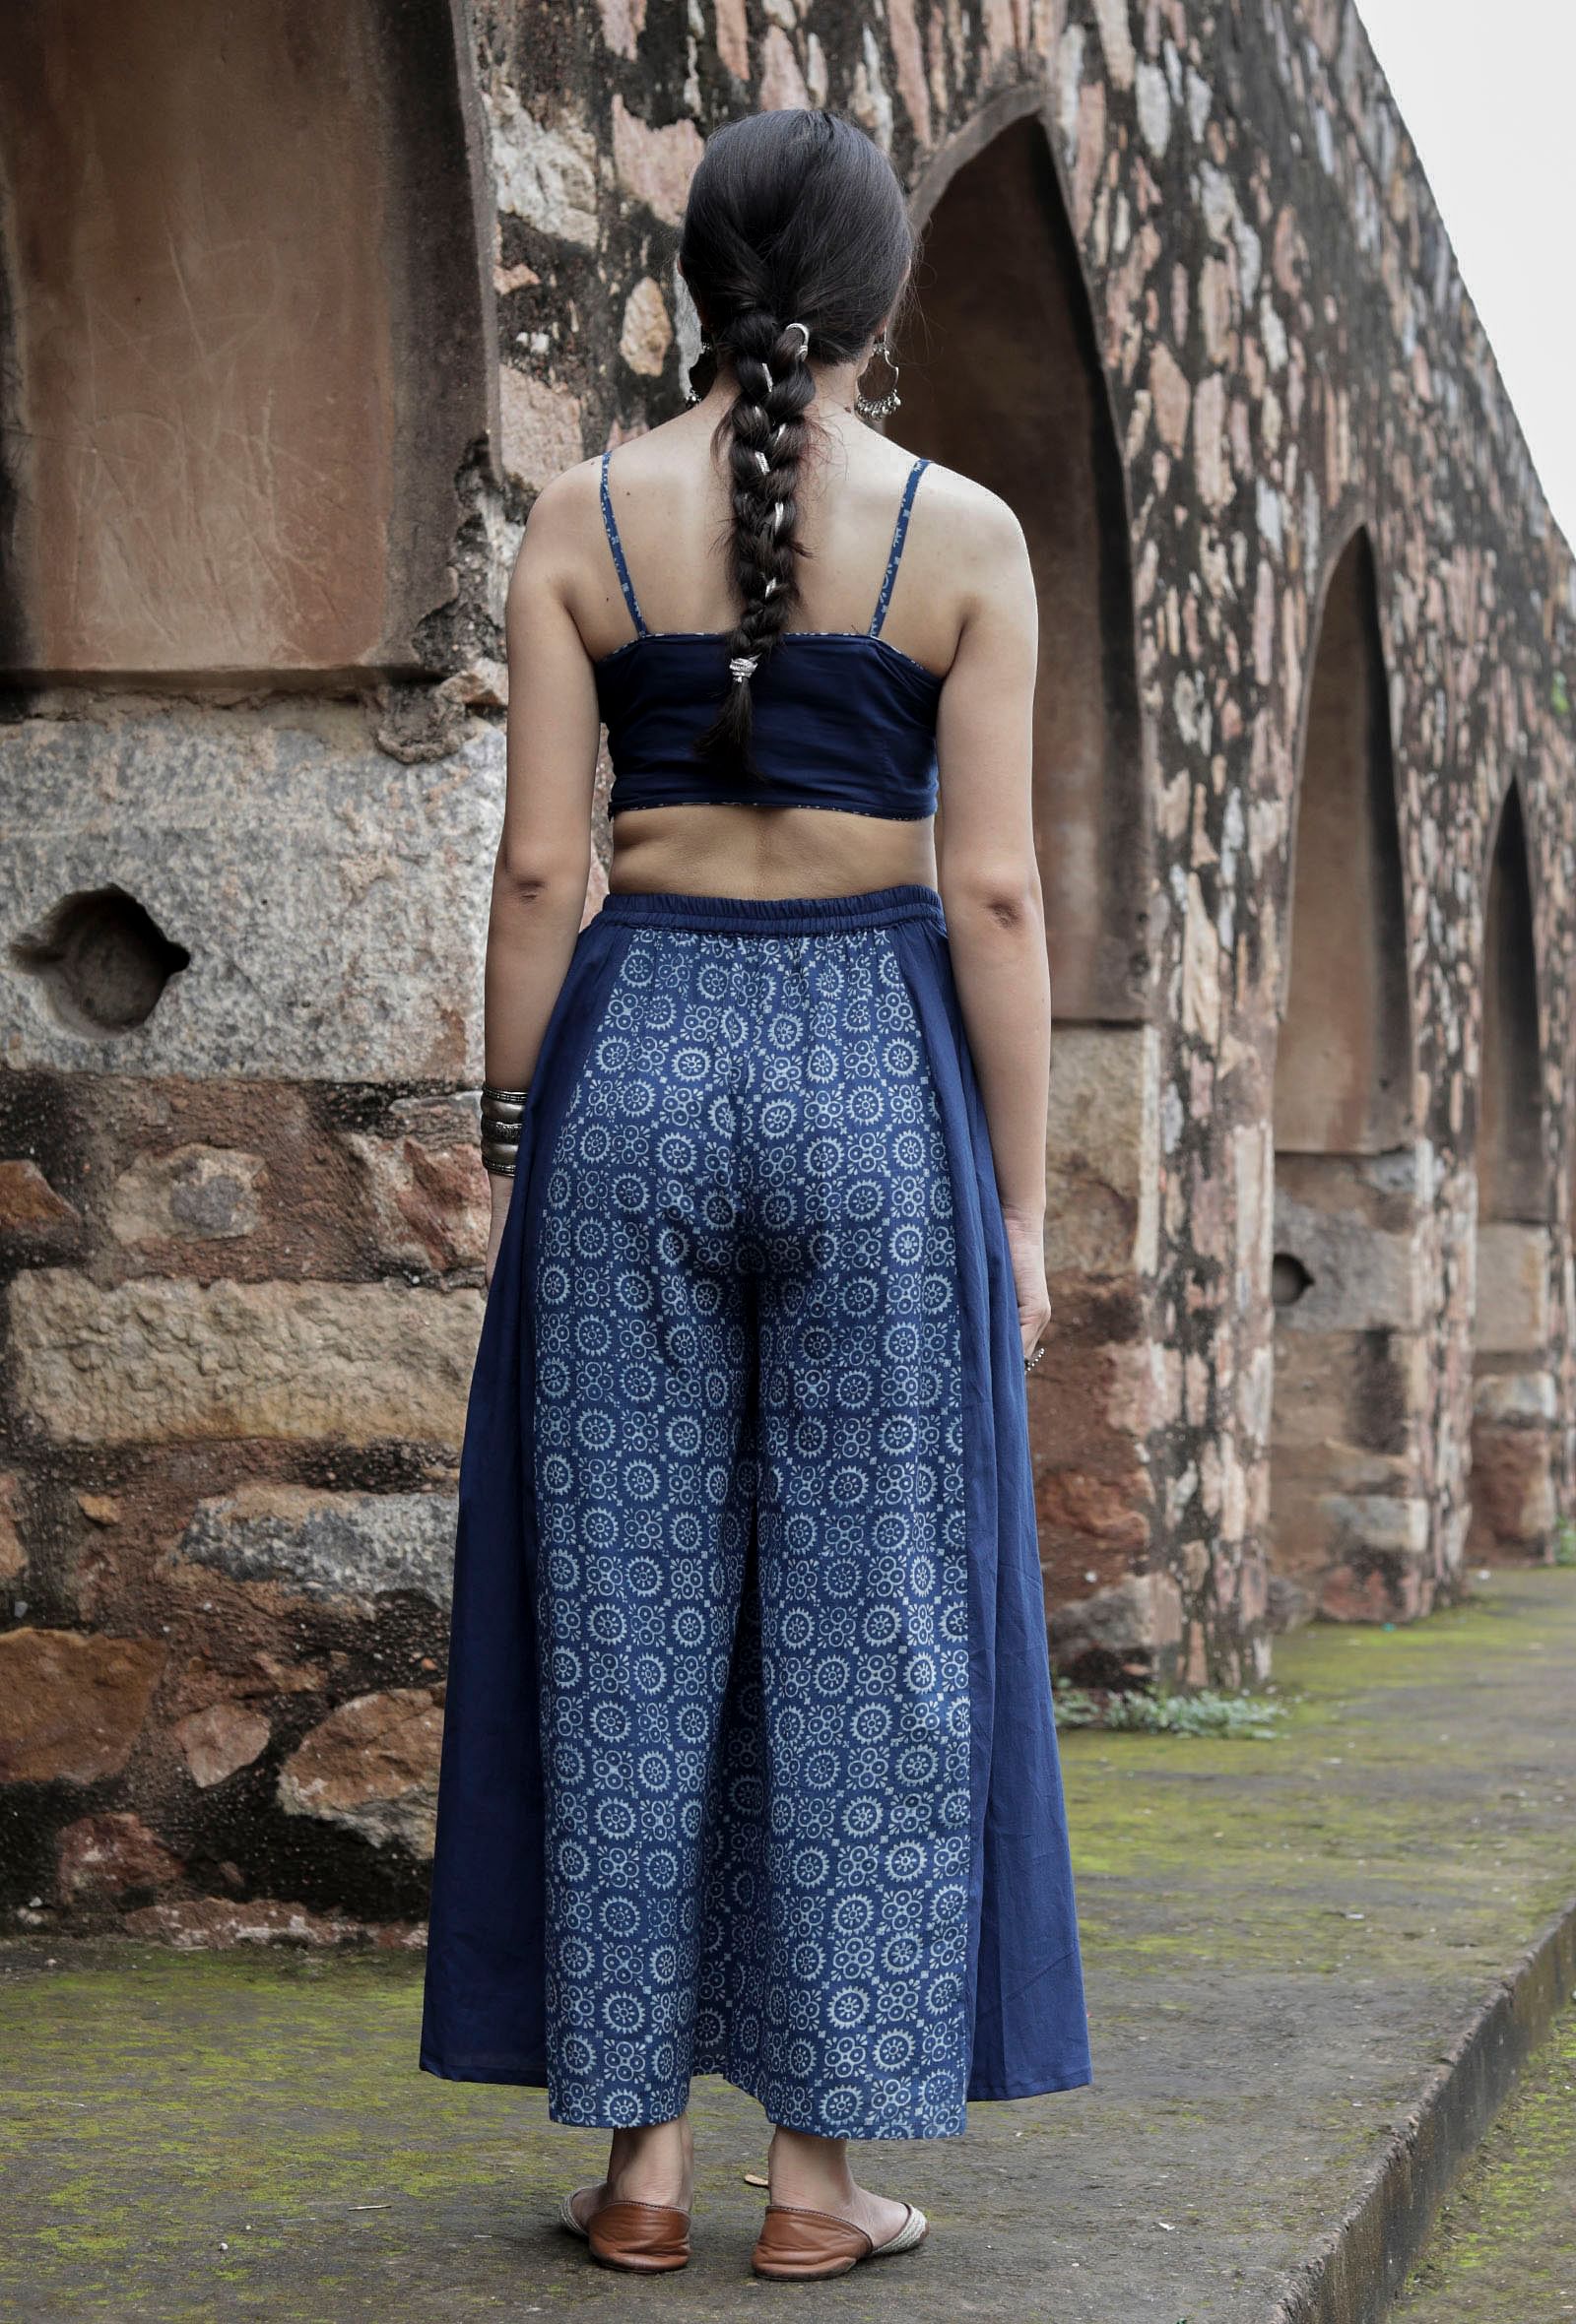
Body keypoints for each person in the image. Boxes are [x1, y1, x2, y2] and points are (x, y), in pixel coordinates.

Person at [419, 102, 1090, 2283]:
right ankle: (818, 2186)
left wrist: (512, 1150)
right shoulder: (964, 535)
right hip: (876, 1068)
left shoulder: (579, 517)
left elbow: (539, 872)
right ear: (883, 296)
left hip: (634, 1064)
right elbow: (995, 896)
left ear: (691, 283)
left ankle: (639, 2170)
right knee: (871, 1624)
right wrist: (1016, 1207)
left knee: (622, 1612)